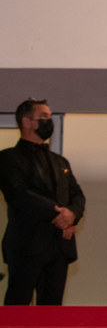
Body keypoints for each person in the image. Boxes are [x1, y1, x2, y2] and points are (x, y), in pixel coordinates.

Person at [0, 98, 85, 305]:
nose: (49, 121)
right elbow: (19, 194)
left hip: (59, 246)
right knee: (18, 306)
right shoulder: (8, 158)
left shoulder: (60, 161)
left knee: (52, 312)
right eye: (44, 117)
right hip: (26, 244)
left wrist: (72, 214)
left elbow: (77, 195)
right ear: (27, 122)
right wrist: (60, 214)